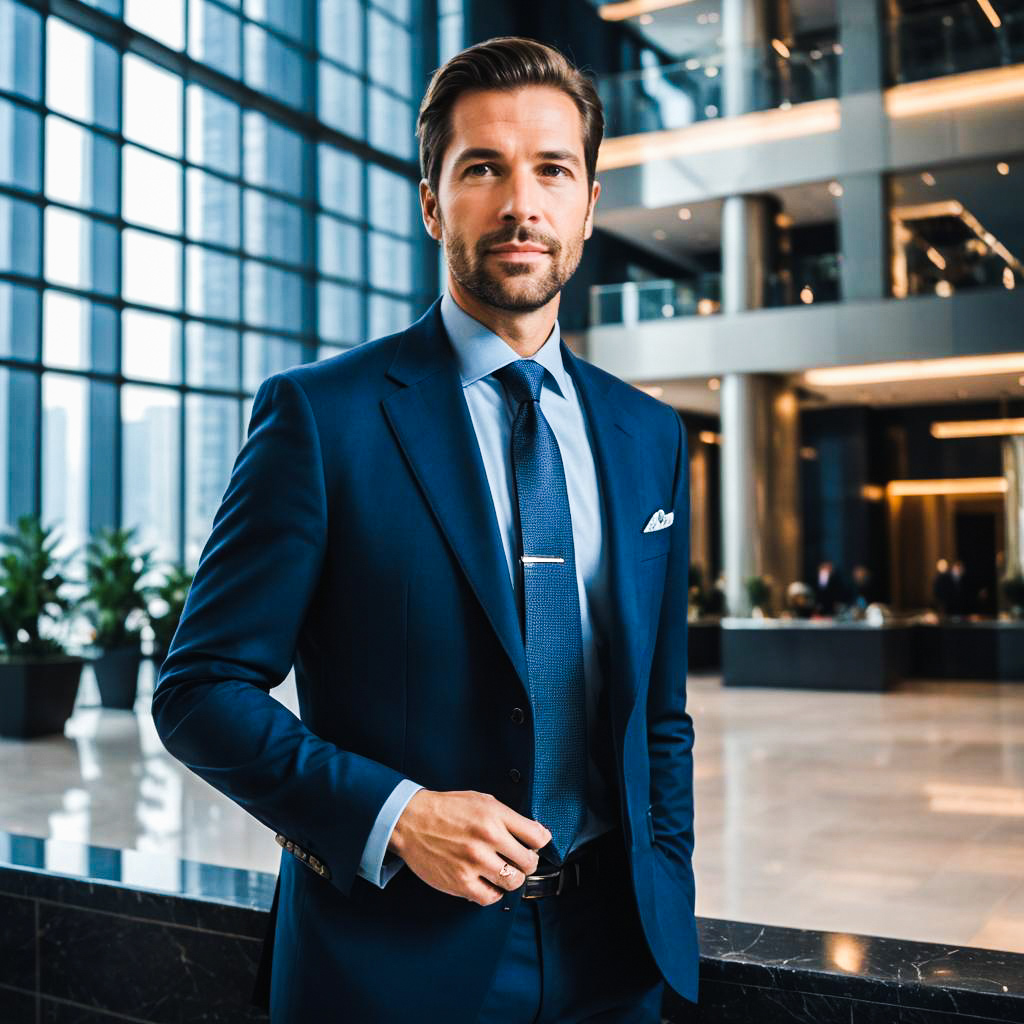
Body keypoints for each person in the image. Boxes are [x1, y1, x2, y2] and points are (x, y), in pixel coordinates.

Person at [152, 36, 697, 1023]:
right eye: (482, 167)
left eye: (552, 170)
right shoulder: (322, 418)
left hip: (614, 963)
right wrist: (396, 817)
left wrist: (668, 893)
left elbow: (660, 718)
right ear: (432, 201)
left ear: (587, 204)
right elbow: (198, 693)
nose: (520, 203)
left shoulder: (647, 437)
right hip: (390, 966)